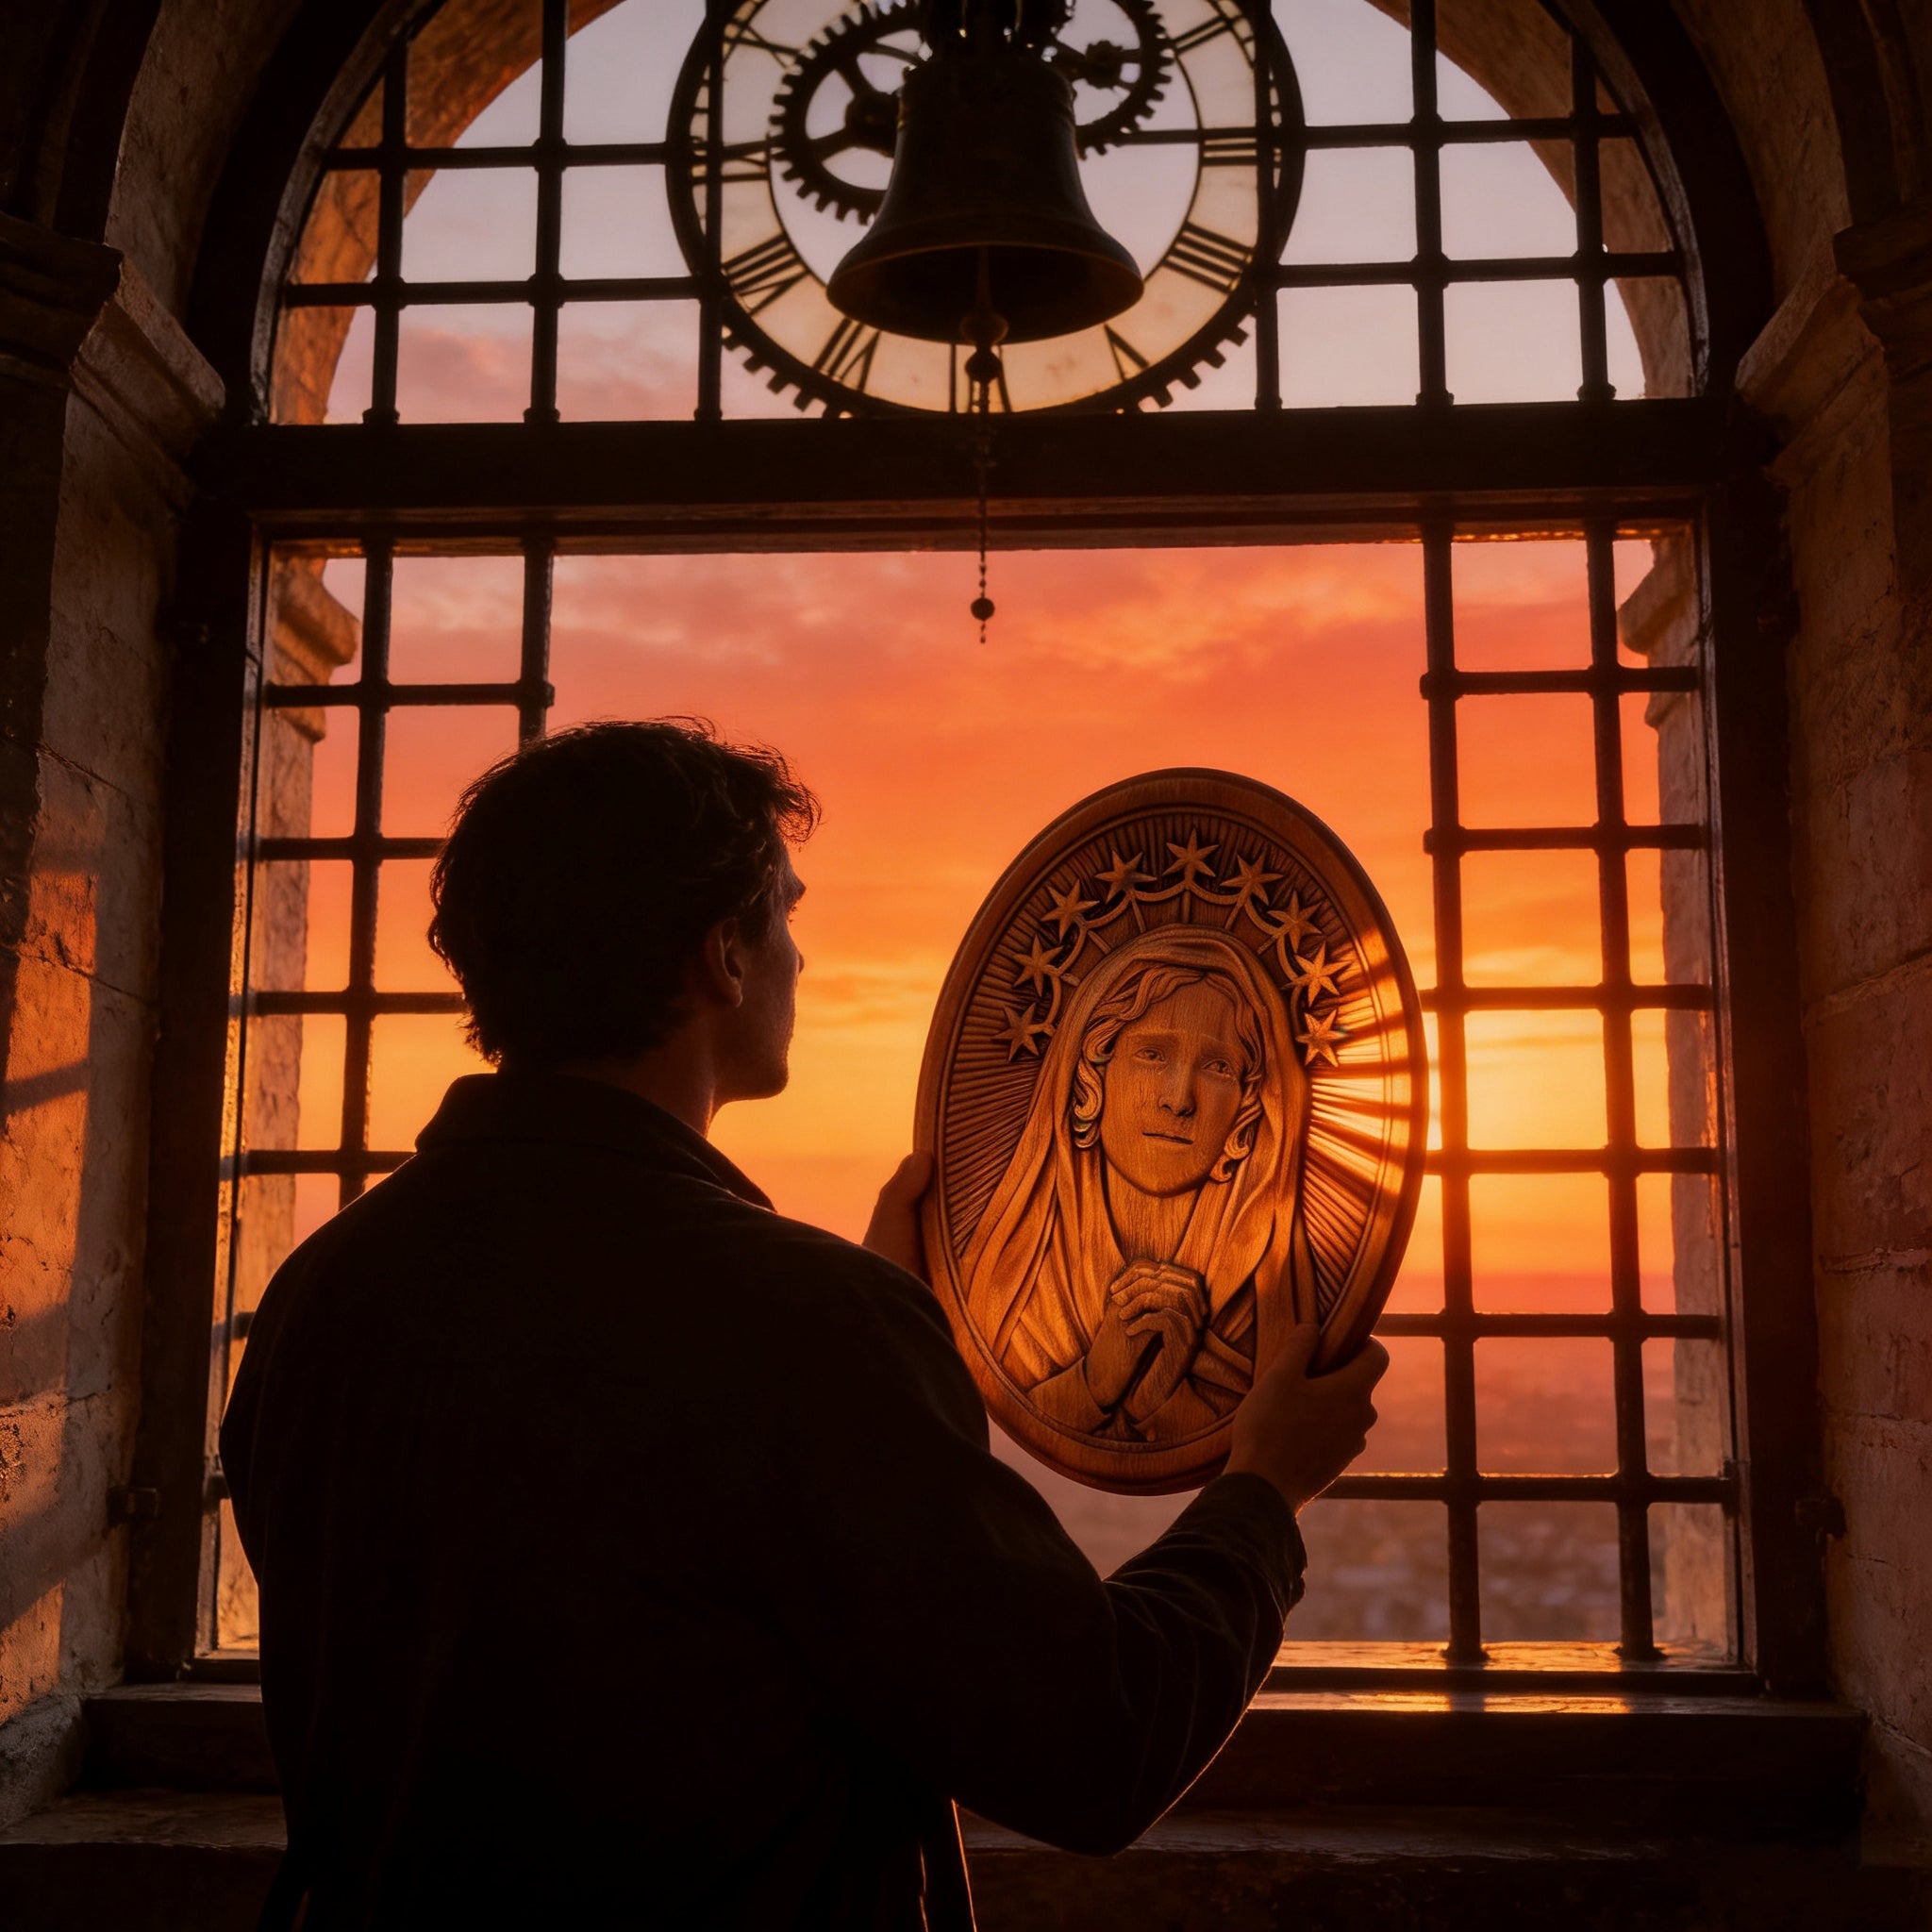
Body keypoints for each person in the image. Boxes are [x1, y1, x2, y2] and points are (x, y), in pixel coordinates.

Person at [222, 719, 1388, 1930]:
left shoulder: (320, 1293)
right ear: (721, 953)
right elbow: (1093, 1739)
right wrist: (1262, 1490)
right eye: (782, 915)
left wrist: (871, 1337)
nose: (798, 955)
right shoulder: (803, 1328)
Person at [963, 926, 1319, 1444]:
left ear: (1247, 1108)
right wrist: (1093, 1382)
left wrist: (1162, 1400)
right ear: (1092, 1077)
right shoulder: (1008, 1284)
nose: (1179, 1100)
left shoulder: (1268, 1301)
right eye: (1153, 1055)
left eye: (1218, 1068)